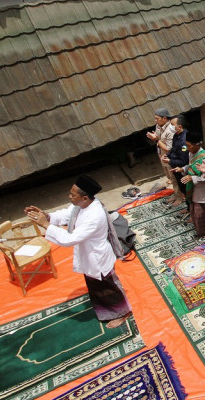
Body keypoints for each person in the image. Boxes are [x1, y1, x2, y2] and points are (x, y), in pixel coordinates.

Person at [26, 176, 131, 328]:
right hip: (88, 255)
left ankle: (122, 313)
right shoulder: (81, 206)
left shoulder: (94, 216)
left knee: (108, 288)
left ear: (85, 197)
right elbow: (65, 215)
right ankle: (108, 311)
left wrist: (46, 225)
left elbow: (70, 239)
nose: (69, 197)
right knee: (97, 287)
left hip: (97, 257)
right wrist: (46, 216)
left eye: (72, 195)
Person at [178, 131, 205, 238]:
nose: (187, 147)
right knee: (195, 212)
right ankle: (201, 231)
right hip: (194, 189)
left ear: (197, 144)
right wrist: (182, 169)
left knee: (204, 214)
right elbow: (190, 166)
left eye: (189, 145)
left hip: (203, 190)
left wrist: (192, 178)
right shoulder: (191, 153)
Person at [146, 108, 175, 192]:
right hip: (161, 154)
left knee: (173, 175)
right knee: (167, 172)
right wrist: (154, 136)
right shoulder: (158, 126)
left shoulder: (170, 130)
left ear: (165, 118)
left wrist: (156, 140)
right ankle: (171, 182)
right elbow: (159, 137)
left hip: (169, 156)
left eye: (157, 118)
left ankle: (179, 195)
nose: (156, 121)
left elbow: (168, 148)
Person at [162, 115, 188, 206]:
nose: (170, 127)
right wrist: (167, 156)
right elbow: (173, 150)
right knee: (183, 189)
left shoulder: (184, 141)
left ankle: (191, 211)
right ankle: (189, 209)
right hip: (176, 169)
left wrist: (170, 161)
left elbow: (184, 161)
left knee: (188, 191)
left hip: (183, 171)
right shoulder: (176, 136)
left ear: (179, 127)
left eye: (172, 125)